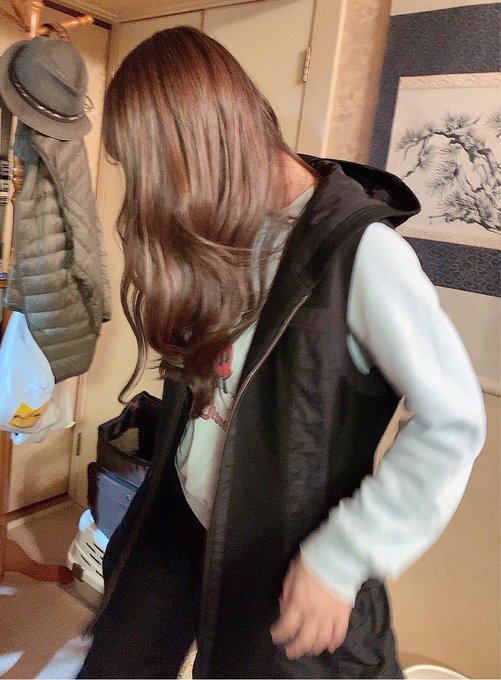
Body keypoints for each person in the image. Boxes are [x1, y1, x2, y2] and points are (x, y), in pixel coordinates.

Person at [77, 26, 486, 679]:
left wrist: (342, 558)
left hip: (283, 555)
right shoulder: (223, 221)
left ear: (201, 146)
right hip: (178, 517)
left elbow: (452, 422)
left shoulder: (360, 255)